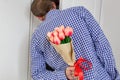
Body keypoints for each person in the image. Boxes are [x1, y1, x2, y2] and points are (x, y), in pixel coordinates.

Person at [30, 0, 120, 80]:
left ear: (39, 17)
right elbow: (102, 45)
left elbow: (37, 74)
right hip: (100, 76)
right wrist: (112, 75)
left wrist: (64, 74)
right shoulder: (79, 12)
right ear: (53, 5)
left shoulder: (36, 37)